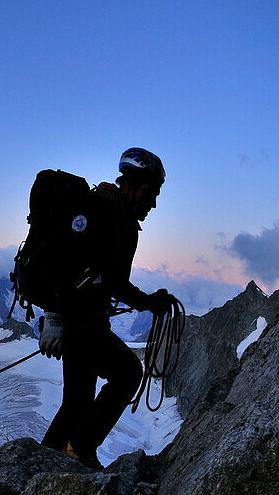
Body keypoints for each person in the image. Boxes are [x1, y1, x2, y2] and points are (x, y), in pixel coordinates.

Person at [38, 147, 179, 470]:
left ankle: (40, 466)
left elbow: (111, 280)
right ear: (130, 183)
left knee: (77, 403)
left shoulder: (119, 217)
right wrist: (54, 317)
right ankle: (80, 451)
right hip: (79, 319)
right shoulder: (99, 210)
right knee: (128, 373)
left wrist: (147, 303)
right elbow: (62, 262)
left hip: (87, 319)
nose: (153, 202)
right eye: (150, 192)